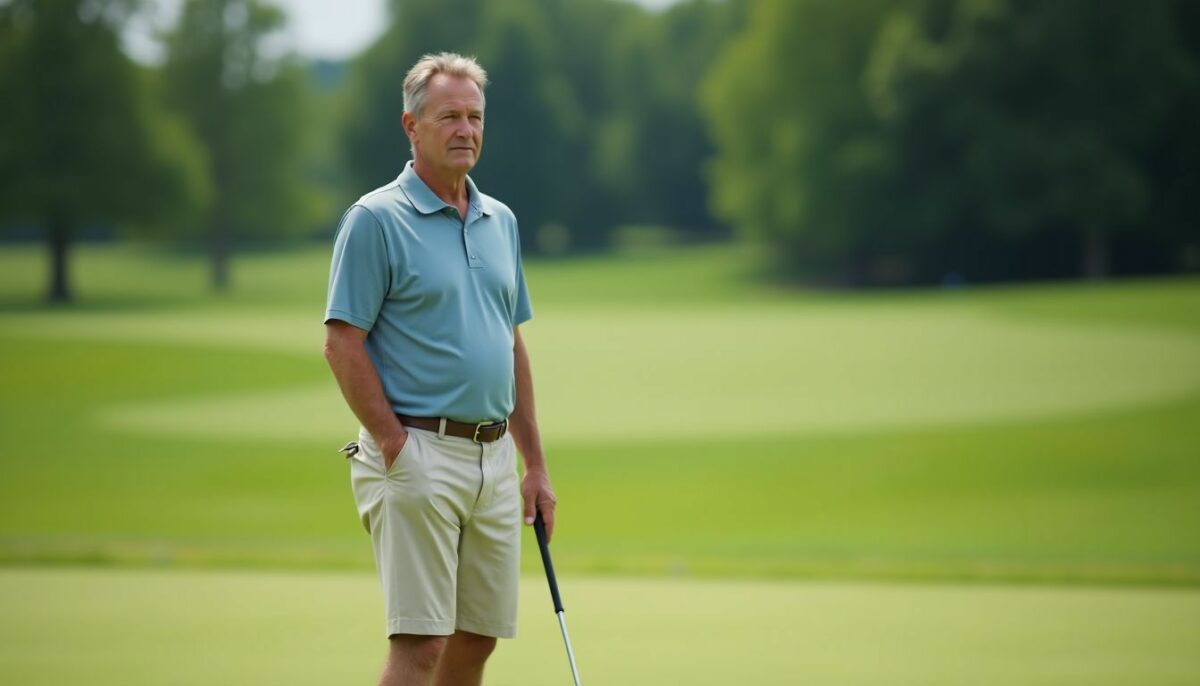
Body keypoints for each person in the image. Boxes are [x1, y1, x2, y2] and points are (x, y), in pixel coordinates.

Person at [323, 52, 557, 686]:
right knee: (421, 644)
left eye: (475, 117)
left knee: (475, 641)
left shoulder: (498, 220)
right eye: (449, 115)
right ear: (412, 126)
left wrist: (533, 465)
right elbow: (343, 343)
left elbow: (509, 346)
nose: (466, 130)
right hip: (417, 449)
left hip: (493, 460)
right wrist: (396, 446)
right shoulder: (376, 218)